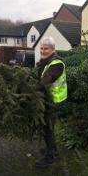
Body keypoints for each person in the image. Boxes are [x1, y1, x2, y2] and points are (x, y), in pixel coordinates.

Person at [35, 37, 67, 168]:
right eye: (41, 48)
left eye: (46, 48)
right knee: (47, 127)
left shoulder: (56, 64)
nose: (43, 51)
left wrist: (28, 91)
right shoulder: (45, 62)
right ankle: (52, 149)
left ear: (53, 49)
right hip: (47, 100)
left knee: (47, 128)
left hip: (53, 101)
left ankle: (50, 157)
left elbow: (45, 81)